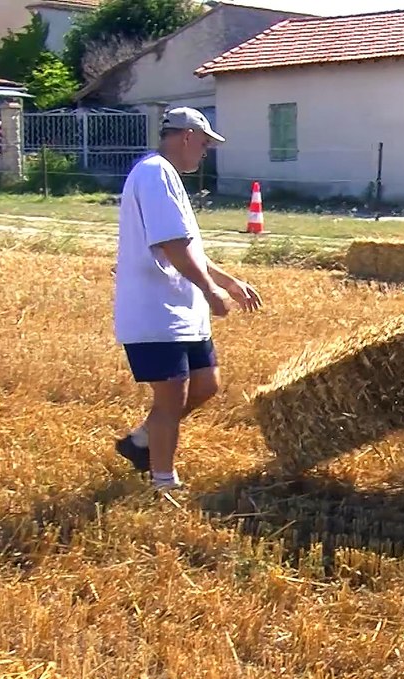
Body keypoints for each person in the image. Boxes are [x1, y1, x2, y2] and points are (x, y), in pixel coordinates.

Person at [112, 107, 262, 490]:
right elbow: (172, 245)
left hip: (180, 312)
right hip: (157, 312)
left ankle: (143, 441)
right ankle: (164, 481)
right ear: (188, 136)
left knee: (206, 384)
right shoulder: (155, 173)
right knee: (170, 400)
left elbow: (189, 248)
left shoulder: (166, 176)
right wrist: (210, 291)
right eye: (206, 143)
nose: (206, 151)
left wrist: (227, 281)